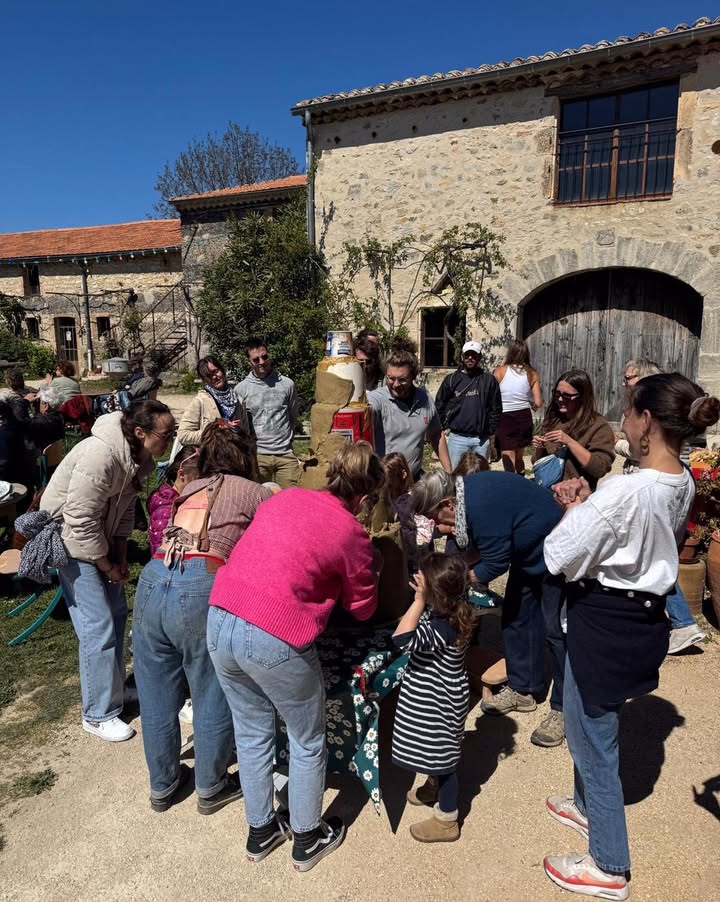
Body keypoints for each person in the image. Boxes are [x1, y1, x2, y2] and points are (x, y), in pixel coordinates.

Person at [541, 374, 720, 900]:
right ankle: (584, 805)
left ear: (645, 421)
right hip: (636, 619)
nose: (623, 420)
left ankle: (609, 864)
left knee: (593, 738)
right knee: (583, 714)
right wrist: (593, 506)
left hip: (605, 619)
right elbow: (629, 535)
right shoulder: (679, 479)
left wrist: (576, 509)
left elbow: (559, 554)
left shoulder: (628, 489)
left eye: (628, 411)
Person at [207, 442, 385, 871]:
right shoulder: (351, 531)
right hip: (273, 632)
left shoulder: (285, 497)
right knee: (308, 738)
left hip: (220, 616)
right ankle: (307, 836)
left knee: (251, 734)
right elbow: (363, 609)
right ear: (363, 497)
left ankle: (261, 829)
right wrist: (372, 570)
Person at [133, 424, 273, 813]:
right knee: (210, 686)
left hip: (154, 576)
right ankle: (211, 785)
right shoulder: (255, 492)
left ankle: (163, 784)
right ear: (247, 454)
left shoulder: (191, 487)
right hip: (200, 581)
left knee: (156, 692)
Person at [40, 401, 175, 742]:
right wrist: (105, 564)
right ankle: (97, 713)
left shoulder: (141, 459)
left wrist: (120, 555)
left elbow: (127, 510)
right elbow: (79, 519)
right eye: (166, 434)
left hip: (98, 539)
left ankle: (114, 693)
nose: (170, 440)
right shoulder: (100, 456)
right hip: (71, 541)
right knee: (97, 624)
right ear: (141, 432)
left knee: (116, 614)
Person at [412, 469, 563, 734]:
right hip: (527, 552)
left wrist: (453, 584)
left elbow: (494, 562)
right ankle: (523, 688)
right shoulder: (464, 498)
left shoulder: (480, 505)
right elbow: (477, 550)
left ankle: (563, 709)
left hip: (556, 551)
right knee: (517, 616)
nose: (439, 525)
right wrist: (453, 568)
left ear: (447, 504)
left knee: (556, 631)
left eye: (436, 517)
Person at [616, 359, 706, 654]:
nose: (625, 382)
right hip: (661, 482)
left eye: (629, 377)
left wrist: (618, 445)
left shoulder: (653, 413)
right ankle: (678, 623)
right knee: (657, 557)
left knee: (652, 558)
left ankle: (682, 623)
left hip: (651, 482)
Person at [393, 554, 477, 843]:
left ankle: (447, 819)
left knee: (444, 762)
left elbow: (401, 639)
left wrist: (417, 602)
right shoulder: (458, 610)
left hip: (436, 701)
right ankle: (433, 786)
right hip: (447, 695)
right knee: (438, 751)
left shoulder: (439, 628)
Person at [369, 346, 451, 479]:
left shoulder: (424, 398)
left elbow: (436, 435)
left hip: (414, 480)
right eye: (391, 378)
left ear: (413, 376)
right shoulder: (377, 399)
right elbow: (366, 411)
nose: (395, 385)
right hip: (384, 484)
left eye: (402, 379)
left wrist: (449, 472)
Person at [532, 369, 615, 491]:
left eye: (567, 396)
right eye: (557, 394)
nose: (560, 399)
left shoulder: (598, 426)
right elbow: (538, 462)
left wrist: (570, 442)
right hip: (549, 493)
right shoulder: (553, 421)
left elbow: (599, 468)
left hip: (576, 499)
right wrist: (540, 447)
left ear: (582, 397)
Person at [235, 340, 301, 489]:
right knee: (258, 501)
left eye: (264, 357)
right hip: (259, 456)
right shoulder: (242, 389)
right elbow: (242, 424)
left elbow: (292, 415)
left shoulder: (287, 384)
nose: (262, 362)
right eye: (256, 360)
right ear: (249, 362)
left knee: (292, 500)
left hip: (285, 454)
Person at [435, 340, 502, 469]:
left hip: (481, 440)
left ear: (479, 357)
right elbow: (440, 404)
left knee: (480, 477)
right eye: (467, 355)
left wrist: (490, 430)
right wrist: (443, 426)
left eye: (474, 355)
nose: (470, 358)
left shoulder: (489, 380)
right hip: (457, 438)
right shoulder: (451, 380)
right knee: (454, 474)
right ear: (462, 357)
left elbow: (496, 408)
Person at [175, 356, 251, 452]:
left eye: (215, 371)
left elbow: (246, 433)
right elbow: (183, 435)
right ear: (204, 380)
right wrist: (216, 432)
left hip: (236, 459)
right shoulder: (200, 402)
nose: (214, 377)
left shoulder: (237, 400)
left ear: (222, 370)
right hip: (212, 462)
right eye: (209, 376)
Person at [493, 340, 542, 475]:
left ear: (511, 352)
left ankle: (510, 484)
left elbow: (492, 396)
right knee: (519, 456)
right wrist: (531, 404)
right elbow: (538, 403)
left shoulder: (499, 371)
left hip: (505, 417)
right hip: (523, 416)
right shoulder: (532, 373)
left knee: (508, 454)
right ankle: (520, 480)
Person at [147, 445, 200, 556]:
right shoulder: (166, 509)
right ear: (181, 475)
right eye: (197, 480)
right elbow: (159, 544)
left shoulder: (176, 497)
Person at [24, 385, 65, 452]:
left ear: (45, 405)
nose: (35, 404)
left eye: (38, 401)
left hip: (38, 459)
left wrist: (24, 401)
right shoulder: (58, 417)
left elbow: (20, 423)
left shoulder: (42, 422)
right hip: (53, 457)